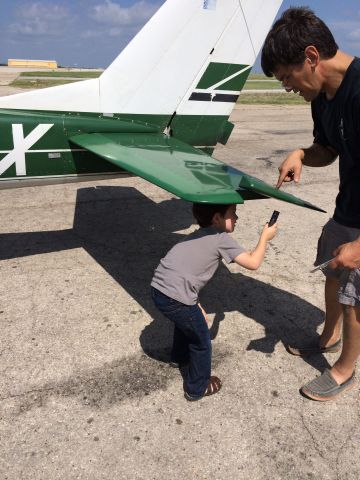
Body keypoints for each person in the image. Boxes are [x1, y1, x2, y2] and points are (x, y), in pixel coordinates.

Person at [261, 7, 360, 401]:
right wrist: (302, 153)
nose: (287, 86)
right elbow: (329, 149)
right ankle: (329, 336)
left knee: (355, 293)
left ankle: (345, 369)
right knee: (331, 271)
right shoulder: (322, 97)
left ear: (312, 57)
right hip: (349, 205)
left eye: (287, 76)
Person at [151, 203, 277, 401]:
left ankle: (179, 357)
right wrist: (265, 238)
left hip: (159, 290)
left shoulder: (196, 235)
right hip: (177, 297)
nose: (237, 217)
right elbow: (253, 263)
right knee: (201, 342)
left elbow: (184, 274)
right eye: (233, 213)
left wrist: (194, 303)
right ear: (217, 218)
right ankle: (197, 388)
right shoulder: (221, 239)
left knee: (186, 323)